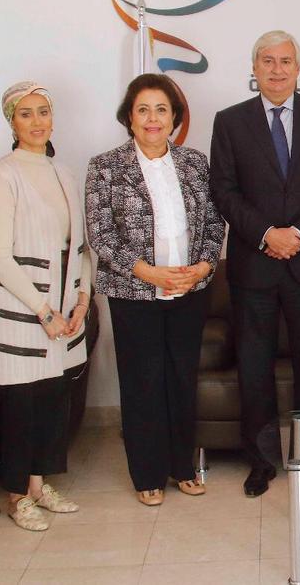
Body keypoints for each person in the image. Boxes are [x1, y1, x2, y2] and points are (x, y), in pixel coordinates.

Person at [210, 30, 300, 498]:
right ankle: (260, 462)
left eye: (285, 61)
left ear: (298, 68)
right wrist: (266, 234)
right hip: (254, 267)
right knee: (254, 369)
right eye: (268, 61)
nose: (277, 69)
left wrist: (298, 234)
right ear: (254, 68)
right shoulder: (230, 122)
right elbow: (223, 190)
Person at [86, 74, 225, 506]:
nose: (153, 118)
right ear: (129, 117)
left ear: (174, 117)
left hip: (190, 289)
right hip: (134, 293)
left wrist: (203, 266)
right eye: (143, 109)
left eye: (161, 110)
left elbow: (214, 222)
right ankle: (147, 473)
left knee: (181, 379)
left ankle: (182, 467)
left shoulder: (194, 163)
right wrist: (150, 273)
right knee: (143, 381)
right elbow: (101, 235)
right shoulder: (105, 166)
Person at [0, 81, 90, 531]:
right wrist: (42, 311)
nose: (37, 121)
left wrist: (83, 299)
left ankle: (39, 486)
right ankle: (16, 496)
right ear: (12, 122)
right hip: (21, 311)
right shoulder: (1, 175)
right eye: (25, 114)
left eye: (43, 111)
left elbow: (82, 246)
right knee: (20, 404)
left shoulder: (64, 173)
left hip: (63, 311)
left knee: (51, 399)